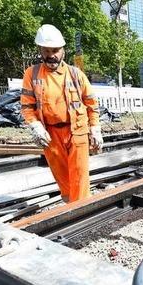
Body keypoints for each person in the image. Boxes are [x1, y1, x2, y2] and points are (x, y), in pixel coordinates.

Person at [20, 24, 103, 203]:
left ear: (63, 50)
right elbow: (27, 106)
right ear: (40, 50)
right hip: (50, 134)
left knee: (79, 175)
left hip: (77, 131)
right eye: (46, 50)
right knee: (62, 178)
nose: (51, 55)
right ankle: (70, 207)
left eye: (55, 50)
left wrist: (95, 129)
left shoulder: (76, 74)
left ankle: (81, 212)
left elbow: (91, 103)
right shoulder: (32, 74)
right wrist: (35, 126)